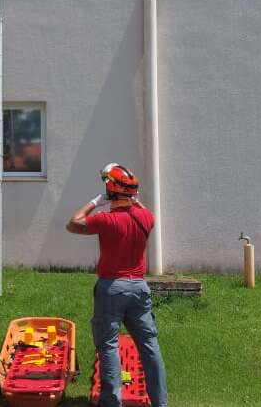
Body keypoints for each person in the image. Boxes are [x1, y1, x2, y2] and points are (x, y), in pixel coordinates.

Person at [65, 163, 168, 407]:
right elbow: (142, 209)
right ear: (133, 194)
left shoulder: (107, 220)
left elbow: (73, 223)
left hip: (112, 288)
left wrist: (95, 201)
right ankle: (160, 403)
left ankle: (112, 402)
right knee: (150, 347)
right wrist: (132, 199)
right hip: (139, 288)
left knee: (109, 346)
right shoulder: (147, 217)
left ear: (110, 192)